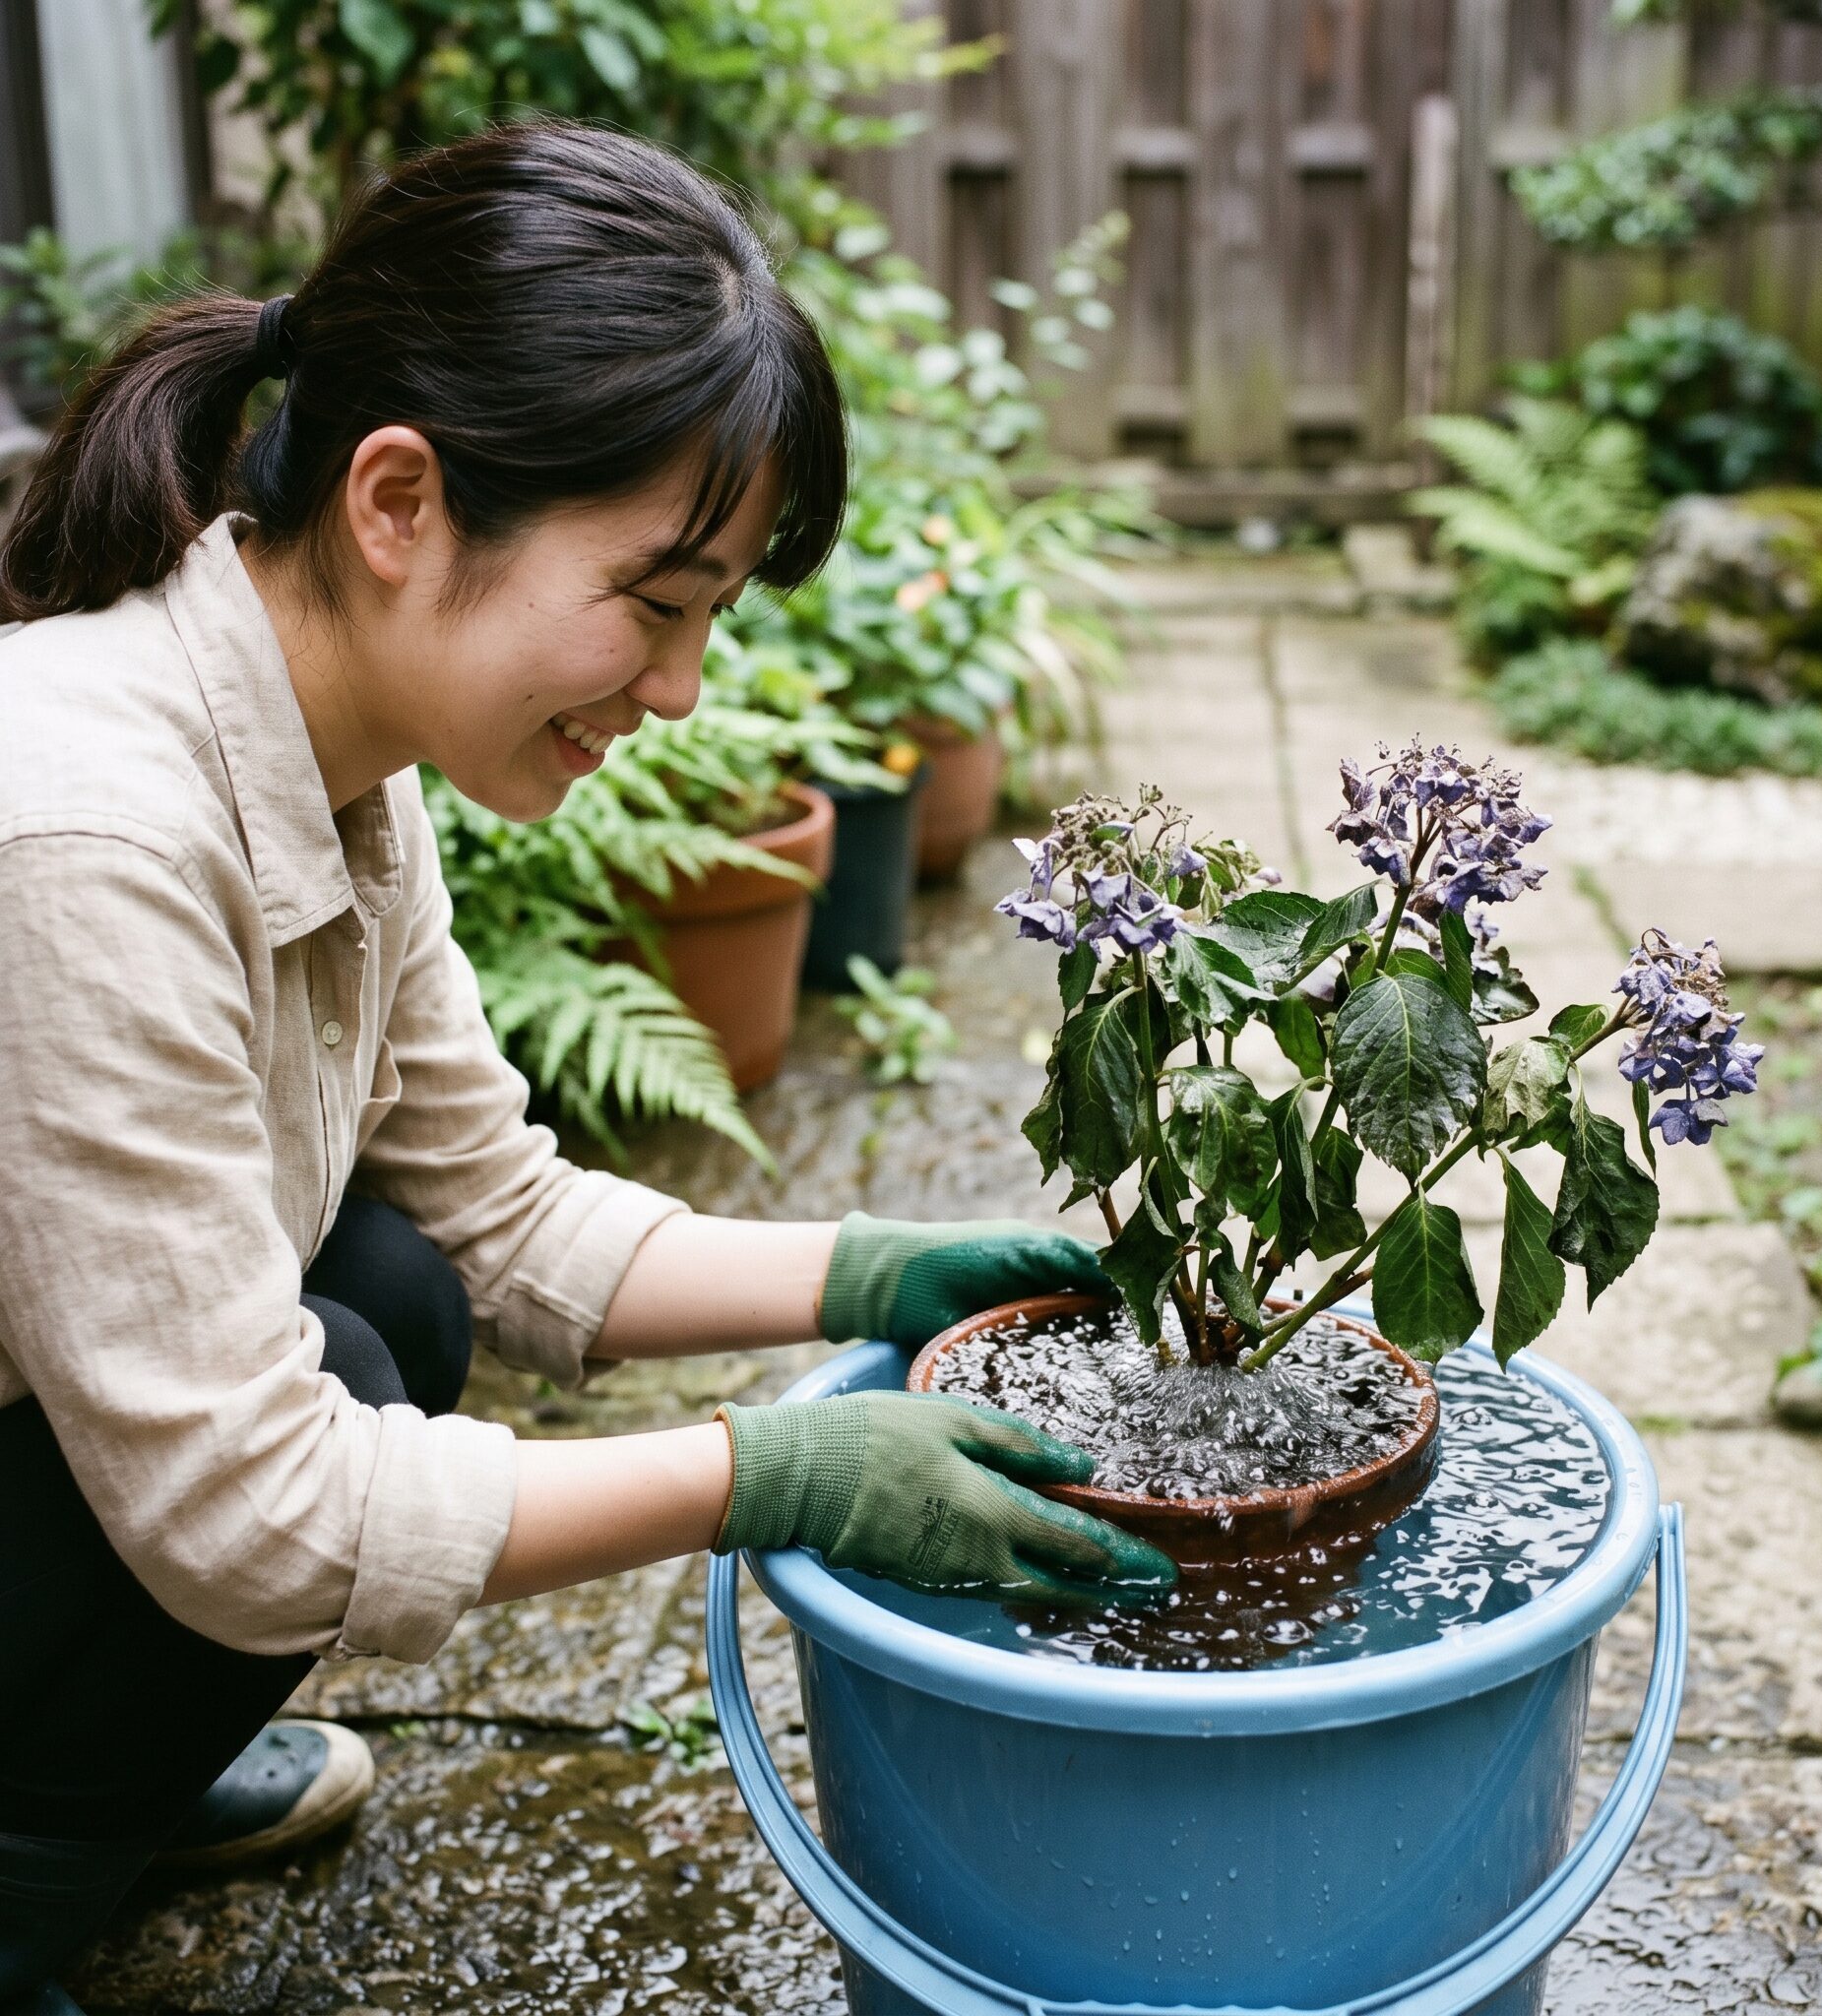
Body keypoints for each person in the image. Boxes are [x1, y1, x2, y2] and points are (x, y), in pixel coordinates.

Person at [0, 122, 1174, 2016]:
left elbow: (503, 1214)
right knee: (348, 1376)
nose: (685, 685)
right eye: (657, 596)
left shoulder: (340, 766)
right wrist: (765, 1473)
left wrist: (883, 1270)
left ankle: (97, 1769)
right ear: (401, 502)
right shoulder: (84, 833)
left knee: (388, 1289)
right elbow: (247, 1515)